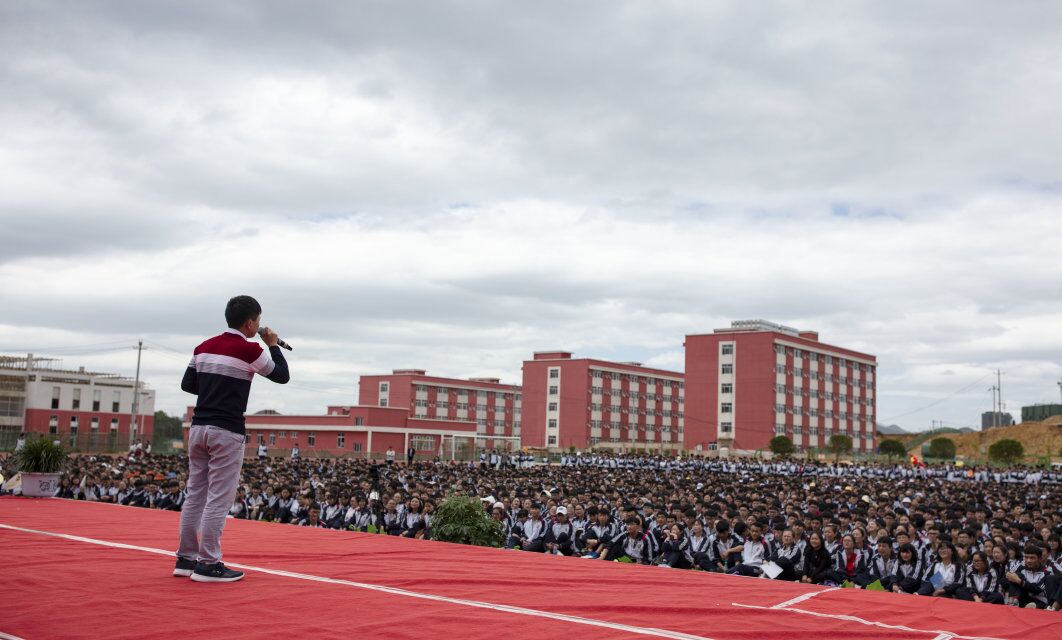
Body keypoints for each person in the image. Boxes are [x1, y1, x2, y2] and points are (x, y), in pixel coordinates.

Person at [175, 295, 290, 583]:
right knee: (218, 498)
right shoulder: (249, 349)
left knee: (195, 494)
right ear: (250, 322)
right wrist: (273, 345)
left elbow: (187, 384)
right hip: (226, 429)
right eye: (259, 322)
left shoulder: (203, 347)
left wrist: (214, 387)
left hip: (198, 427)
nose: (260, 327)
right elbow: (282, 375)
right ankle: (208, 564)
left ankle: (185, 558)